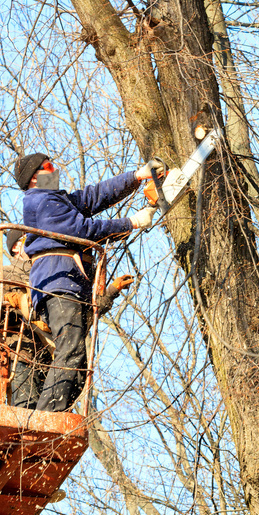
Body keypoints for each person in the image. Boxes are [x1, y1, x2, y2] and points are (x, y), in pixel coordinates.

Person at [13, 153, 162, 412]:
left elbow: (93, 197)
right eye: (49, 167)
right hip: (59, 282)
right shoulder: (41, 200)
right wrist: (132, 222)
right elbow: (81, 229)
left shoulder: (55, 200)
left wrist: (136, 176)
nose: (55, 169)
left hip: (70, 284)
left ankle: (48, 418)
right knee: (70, 351)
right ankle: (44, 420)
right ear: (35, 177)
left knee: (78, 367)